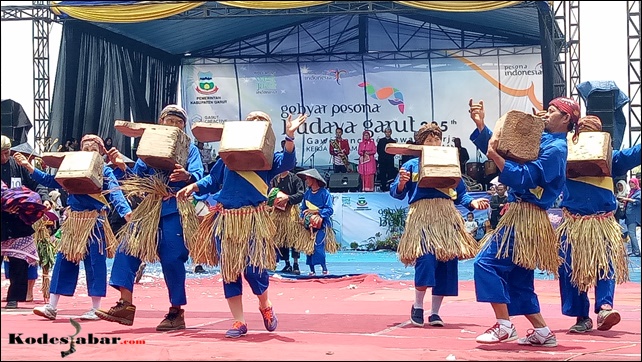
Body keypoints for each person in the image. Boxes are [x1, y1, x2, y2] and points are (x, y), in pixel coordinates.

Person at [177, 111, 307, 338]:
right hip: (226, 219)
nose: (254, 124)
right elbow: (213, 180)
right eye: (251, 121)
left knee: (253, 269)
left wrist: (290, 136)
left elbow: (288, 161)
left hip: (253, 219)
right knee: (230, 271)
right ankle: (239, 321)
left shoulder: (268, 158)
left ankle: (265, 304)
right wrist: (194, 187)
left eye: (261, 122)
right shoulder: (228, 157)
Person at [469, 97, 579, 347]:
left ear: (566, 119)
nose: (545, 114)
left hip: (525, 216)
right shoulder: (545, 140)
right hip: (525, 217)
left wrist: (496, 157)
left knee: (485, 264)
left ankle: (504, 325)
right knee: (518, 278)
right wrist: (482, 127)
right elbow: (511, 148)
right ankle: (543, 332)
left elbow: (527, 177)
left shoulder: (556, 149)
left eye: (552, 112)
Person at [97, 104, 204, 331]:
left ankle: (176, 311)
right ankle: (125, 304)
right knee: (127, 248)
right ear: (161, 121)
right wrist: (121, 166)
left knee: (172, 259)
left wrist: (187, 175)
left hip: (175, 207)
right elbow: (137, 177)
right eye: (170, 120)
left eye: (179, 122)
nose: (174, 124)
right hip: (148, 209)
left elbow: (198, 176)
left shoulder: (189, 149)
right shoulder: (150, 142)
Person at [15, 135, 132, 320]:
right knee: (64, 261)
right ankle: (52, 306)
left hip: (95, 222)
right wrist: (29, 167)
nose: (88, 151)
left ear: (101, 152)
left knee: (95, 263)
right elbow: (51, 180)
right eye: (85, 148)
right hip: (74, 222)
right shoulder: (72, 167)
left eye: (93, 148)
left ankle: (95, 307)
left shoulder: (105, 171)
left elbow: (116, 193)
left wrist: (126, 212)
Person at [390, 123, 489, 328]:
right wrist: (401, 183)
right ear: (420, 143)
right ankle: (418, 306)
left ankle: (435, 312)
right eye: (429, 140)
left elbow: (461, 193)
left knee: (446, 262)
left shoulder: (449, 163)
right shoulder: (411, 165)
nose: (434, 143)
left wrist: (473, 203)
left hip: (446, 217)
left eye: (437, 139)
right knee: (426, 259)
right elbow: (396, 192)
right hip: (422, 216)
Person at [556, 115, 641, 334]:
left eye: (592, 132)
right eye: (583, 131)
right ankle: (581, 316)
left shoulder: (612, 158)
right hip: (573, 224)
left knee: (604, 265)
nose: (587, 135)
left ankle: (604, 308)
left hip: (601, 223)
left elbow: (637, 152)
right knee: (571, 269)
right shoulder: (562, 155)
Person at [1, 135, 51, 309]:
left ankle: (14, 298)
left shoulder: (19, 167)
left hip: (18, 222)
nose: (3, 158)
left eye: (6, 153)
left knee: (18, 262)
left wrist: (44, 199)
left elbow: (37, 184)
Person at [269, 152, 305, 275]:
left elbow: (300, 194)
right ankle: (287, 264)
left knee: (293, 238)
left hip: (291, 213)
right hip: (278, 213)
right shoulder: (274, 179)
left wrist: (288, 198)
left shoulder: (295, 179)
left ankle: (295, 264)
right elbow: (270, 194)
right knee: (281, 239)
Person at [297, 168, 337, 276]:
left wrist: (316, 212)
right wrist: (302, 217)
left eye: (308, 179)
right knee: (309, 248)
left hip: (321, 224)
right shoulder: (307, 194)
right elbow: (303, 208)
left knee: (318, 246)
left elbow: (329, 209)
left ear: (314, 179)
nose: (306, 181)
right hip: (308, 225)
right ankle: (312, 270)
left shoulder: (325, 193)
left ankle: (324, 268)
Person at [621, 177, 641, 257]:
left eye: (632, 183)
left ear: (636, 183)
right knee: (630, 233)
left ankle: (636, 252)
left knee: (632, 234)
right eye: (630, 183)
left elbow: (638, 201)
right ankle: (634, 251)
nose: (631, 184)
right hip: (629, 216)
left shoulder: (638, 192)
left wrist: (627, 199)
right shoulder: (631, 192)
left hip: (634, 217)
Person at [377, 127, 398, 191]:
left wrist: (389, 156)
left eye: (389, 132)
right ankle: (383, 187)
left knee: (390, 174)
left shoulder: (393, 142)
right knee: (382, 174)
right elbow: (378, 150)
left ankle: (390, 187)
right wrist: (382, 156)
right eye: (386, 132)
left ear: (391, 133)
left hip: (390, 160)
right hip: (382, 160)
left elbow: (395, 151)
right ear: (384, 133)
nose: (387, 133)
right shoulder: (381, 141)